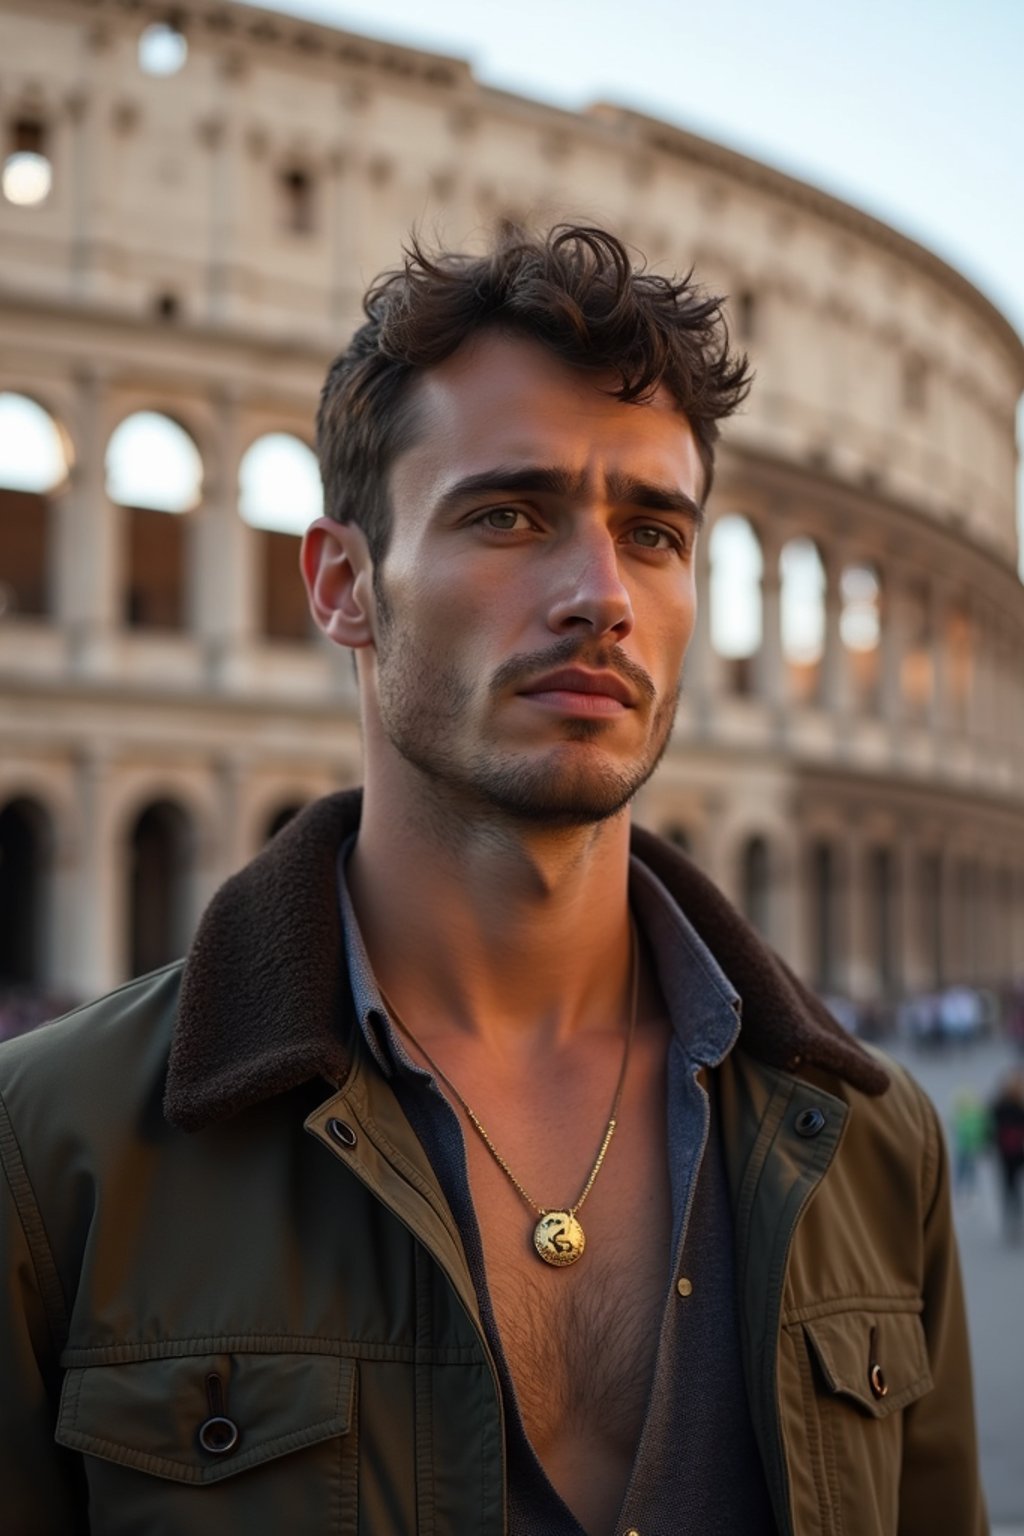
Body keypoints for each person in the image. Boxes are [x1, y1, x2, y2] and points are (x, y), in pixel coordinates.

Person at [0, 225, 986, 1535]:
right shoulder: (48, 1151)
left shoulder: (877, 1146)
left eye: (655, 533)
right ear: (344, 585)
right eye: (508, 514)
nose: (601, 596)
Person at [990, 1067, 1024, 1242]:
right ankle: (1014, 1220)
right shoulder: (1016, 1105)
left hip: (1006, 1151)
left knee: (1008, 1187)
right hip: (1016, 1150)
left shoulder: (999, 1104)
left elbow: (991, 1126)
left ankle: (1011, 1221)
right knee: (1012, 1187)